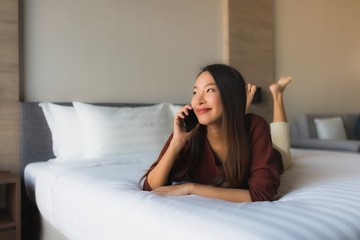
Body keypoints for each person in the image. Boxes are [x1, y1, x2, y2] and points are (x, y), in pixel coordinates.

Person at [141, 64, 292, 203]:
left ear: (230, 95)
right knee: (237, 123)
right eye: (195, 92)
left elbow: (261, 195)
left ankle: (277, 94)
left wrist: (190, 188)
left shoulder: (256, 125)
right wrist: (176, 143)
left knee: (285, 154)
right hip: (236, 129)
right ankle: (240, 110)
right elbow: (150, 187)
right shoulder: (189, 132)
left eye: (209, 90)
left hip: (271, 155)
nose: (198, 100)